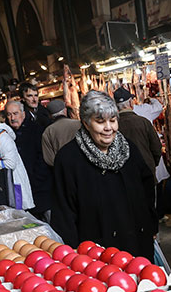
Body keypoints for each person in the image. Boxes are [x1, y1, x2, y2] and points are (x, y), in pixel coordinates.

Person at [51, 91, 157, 257]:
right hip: (97, 252)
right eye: (100, 122)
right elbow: (64, 213)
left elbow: (147, 189)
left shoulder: (129, 149)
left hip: (137, 242)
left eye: (113, 120)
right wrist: (73, 255)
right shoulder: (69, 159)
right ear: (86, 123)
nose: (108, 128)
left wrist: (151, 225)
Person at [0, 105, 34, 210]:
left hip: (12, 187)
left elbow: (10, 164)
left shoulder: (2, 137)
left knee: (17, 217)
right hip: (7, 185)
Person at [6, 100, 53, 221]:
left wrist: (34, 178)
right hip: (20, 192)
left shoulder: (36, 130)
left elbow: (43, 158)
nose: (12, 118)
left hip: (40, 187)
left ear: (23, 114)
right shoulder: (6, 134)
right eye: (9, 114)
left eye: (15, 113)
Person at [115, 87, 162, 182]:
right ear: (130, 103)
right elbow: (157, 148)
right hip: (146, 172)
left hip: (125, 177)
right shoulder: (143, 122)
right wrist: (152, 163)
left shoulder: (112, 126)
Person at [42, 99, 83, 167]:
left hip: (64, 170)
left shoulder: (47, 132)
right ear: (65, 111)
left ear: (50, 115)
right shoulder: (78, 124)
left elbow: (49, 159)